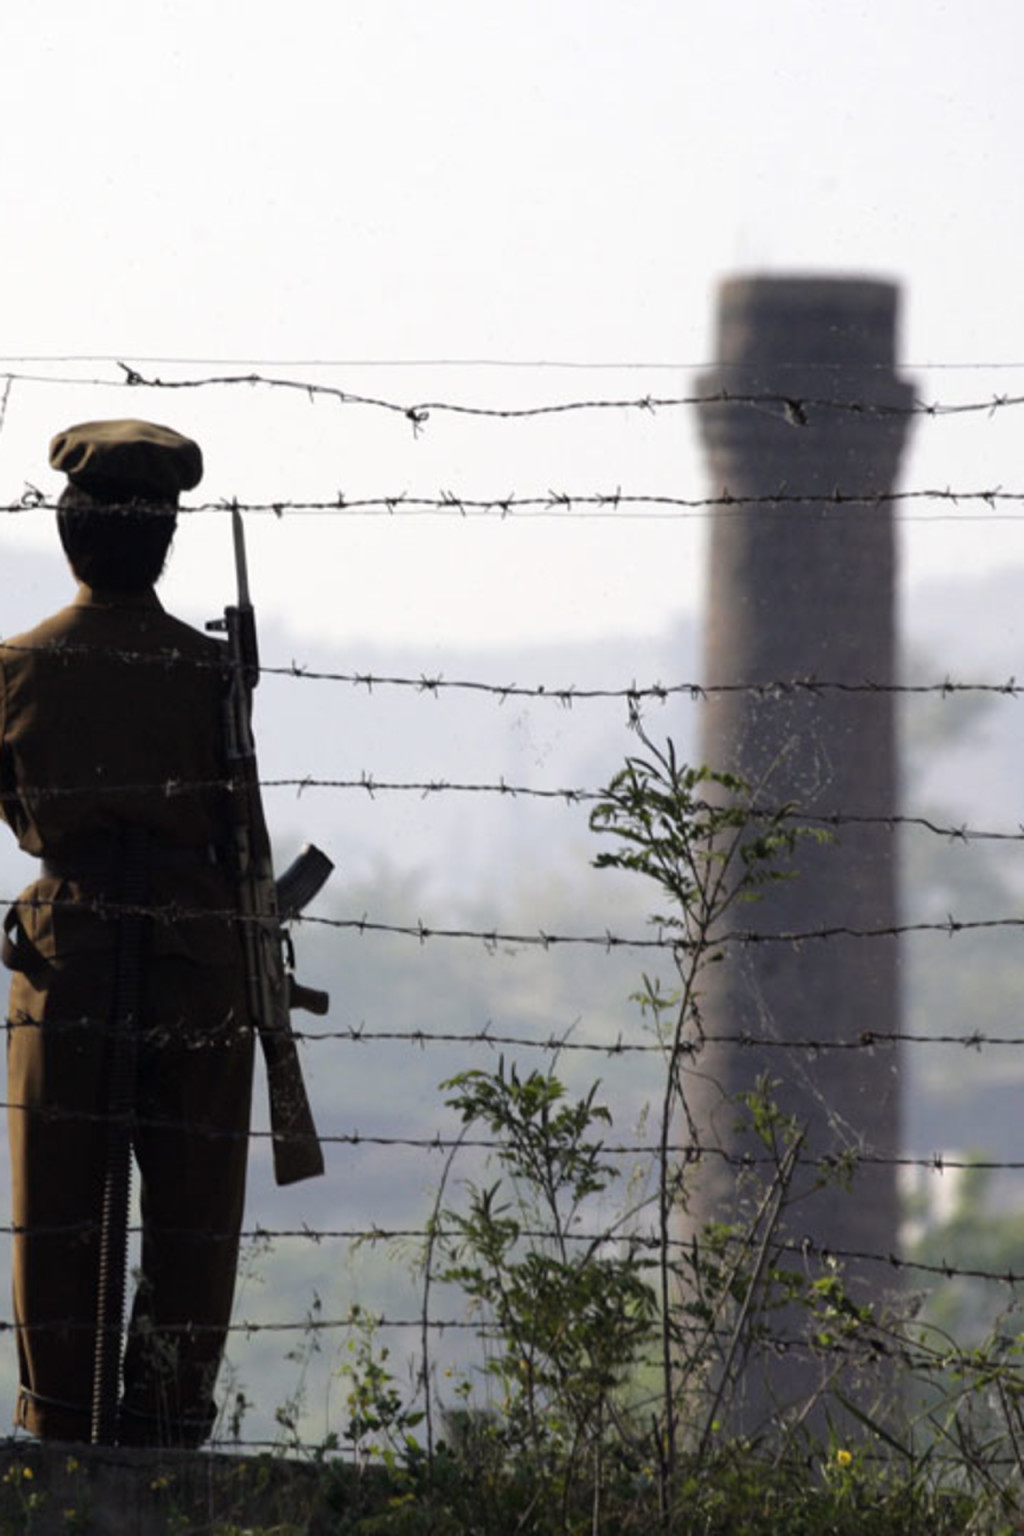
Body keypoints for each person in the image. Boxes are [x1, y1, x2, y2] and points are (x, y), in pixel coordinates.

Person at [0, 419, 255, 1446]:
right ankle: (167, 1423)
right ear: (165, 543)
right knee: (192, 1217)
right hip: (197, 959)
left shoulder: (16, 665)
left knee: (58, 1211)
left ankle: (60, 1428)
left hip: (68, 955)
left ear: (70, 536)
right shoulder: (209, 673)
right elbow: (235, 815)